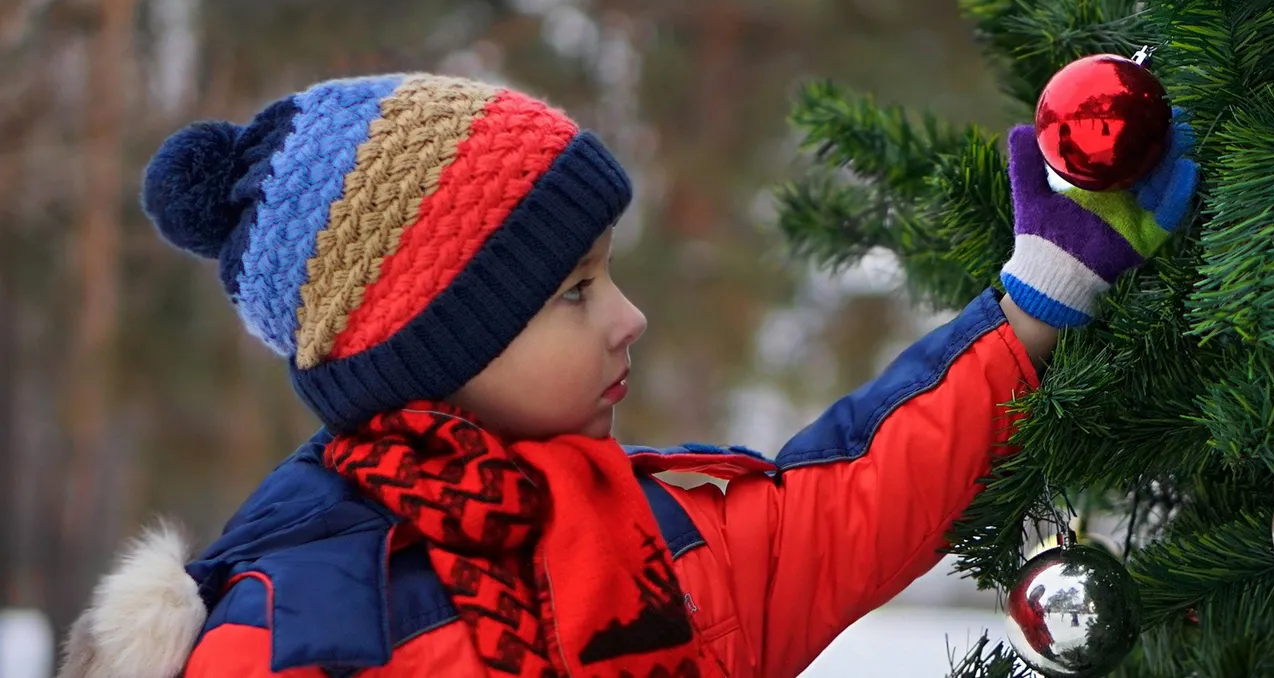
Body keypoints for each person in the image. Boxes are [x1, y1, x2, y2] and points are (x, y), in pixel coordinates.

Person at [56, 74, 1198, 678]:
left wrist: (1038, 297)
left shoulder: (639, 536)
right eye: (574, 292)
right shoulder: (287, 632)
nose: (630, 318)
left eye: (611, 276)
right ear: (434, 351)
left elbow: (841, 504)